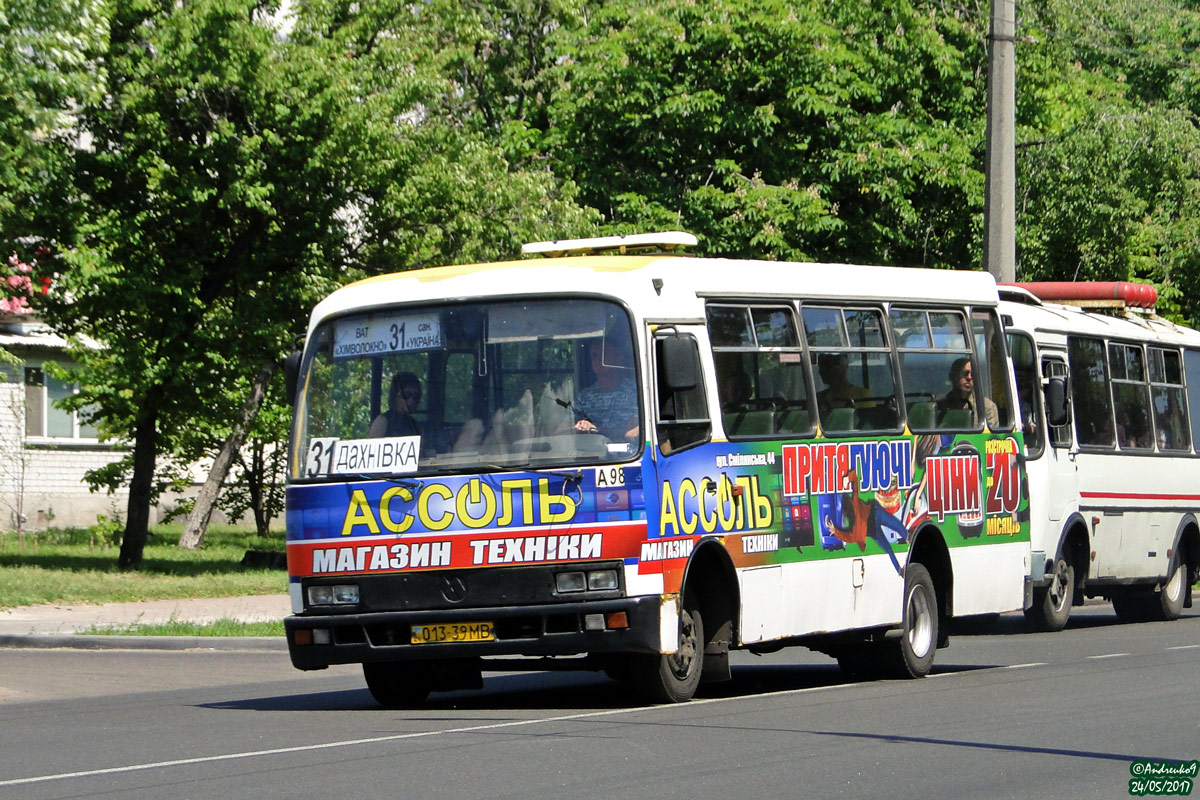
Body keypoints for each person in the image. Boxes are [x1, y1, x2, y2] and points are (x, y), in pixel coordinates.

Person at [574, 340, 639, 440]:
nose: (597, 359)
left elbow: (632, 434)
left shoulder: (635, 392)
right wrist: (579, 426)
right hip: (589, 452)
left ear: (619, 358)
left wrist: (596, 430)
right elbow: (561, 430)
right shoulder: (584, 397)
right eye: (594, 355)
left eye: (603, 355)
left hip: (628, 454)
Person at [937, 357, 999, 428]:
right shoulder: (940, 407)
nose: (969, 378)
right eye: (964, 373)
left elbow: (989, 437)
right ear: (952, 376)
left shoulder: (987, 407)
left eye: (972, 374)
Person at [369, 371, 422, 438]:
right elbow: (373, 446)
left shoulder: (414, 425)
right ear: (395, 396)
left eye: (416, 397)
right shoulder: (383, 421)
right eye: (406, 395)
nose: (411, 401)